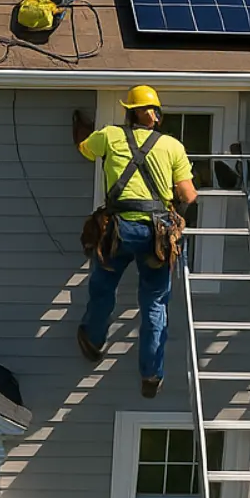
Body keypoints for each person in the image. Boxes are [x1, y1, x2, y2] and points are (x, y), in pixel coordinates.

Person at [73, 84, 198, 398]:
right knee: (155, 304)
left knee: (103, 286)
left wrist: (84, 130)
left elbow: (84, 148)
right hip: (157, 234)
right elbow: (188, 195)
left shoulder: (110, 136)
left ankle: (93, 339)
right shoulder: (173, 146)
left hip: (118, 229)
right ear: (155, 115)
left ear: (128, 112)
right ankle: (151, 374)